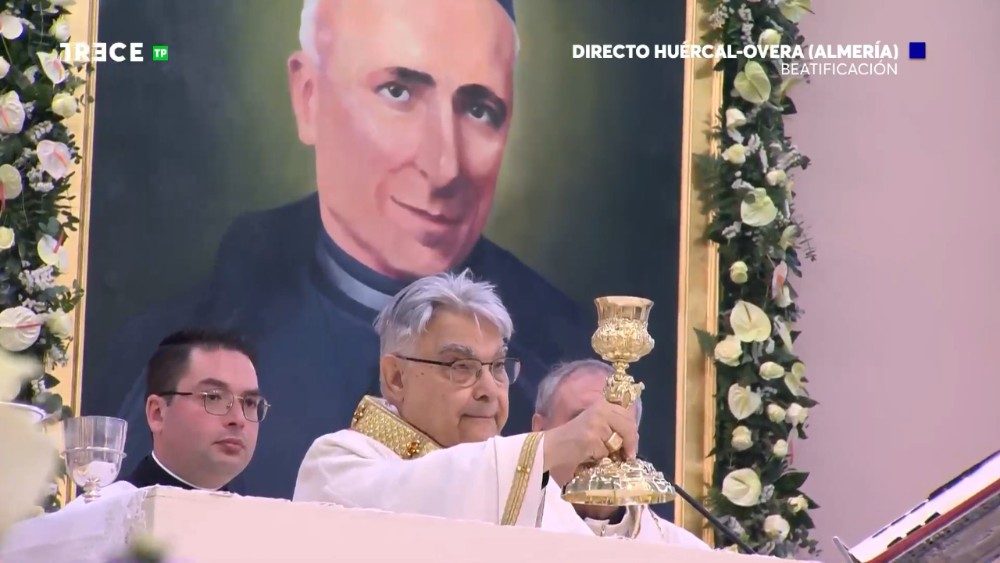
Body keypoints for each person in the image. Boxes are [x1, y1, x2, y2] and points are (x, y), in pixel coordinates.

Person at [98, 0, 592, 500]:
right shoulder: (184, 343)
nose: (445, 166)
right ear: (309, 96)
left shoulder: (561, 344)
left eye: (480, 109)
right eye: (398, 92)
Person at [295, 271, 663, 539]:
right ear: (396, 378)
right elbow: (412, 503)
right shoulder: (336, 465)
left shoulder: (532, 489)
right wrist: (553, 445)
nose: (489, 389)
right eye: (461, 366)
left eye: (498, 366)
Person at [532, 360, 708, 547]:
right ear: (539, 430)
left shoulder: (686, 551)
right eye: (584, 421)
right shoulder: (513, 530)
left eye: (617, 426)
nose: (603, 439)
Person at [123, 329, 268, 491]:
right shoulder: (111, 505)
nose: (239, 419)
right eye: (213, 397)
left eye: (249, 402)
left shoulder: (260, 508)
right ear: (157, 414)